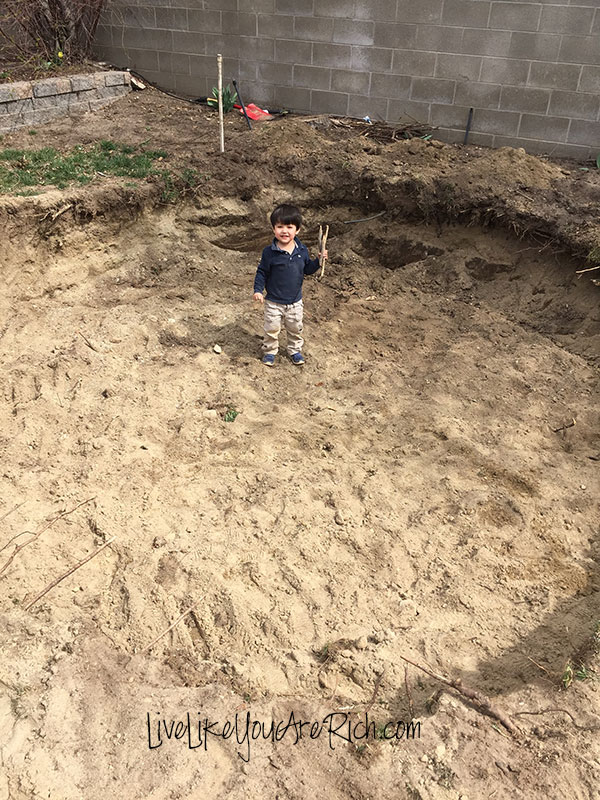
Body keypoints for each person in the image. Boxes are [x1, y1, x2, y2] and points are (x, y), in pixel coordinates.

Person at [253, 204, 327, 366]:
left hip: (295, 302)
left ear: (297, 230)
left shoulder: (302, 250)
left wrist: (318, 261)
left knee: (295, 328)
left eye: (289, 227)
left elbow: (307, 269)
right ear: (273, 229)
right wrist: (258, 290)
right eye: (280, 226)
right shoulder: (269, 252)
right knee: (271, 328)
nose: (284, 231)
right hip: (273, 302)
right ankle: (270, 351)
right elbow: (262, 272)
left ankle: (294, 350)